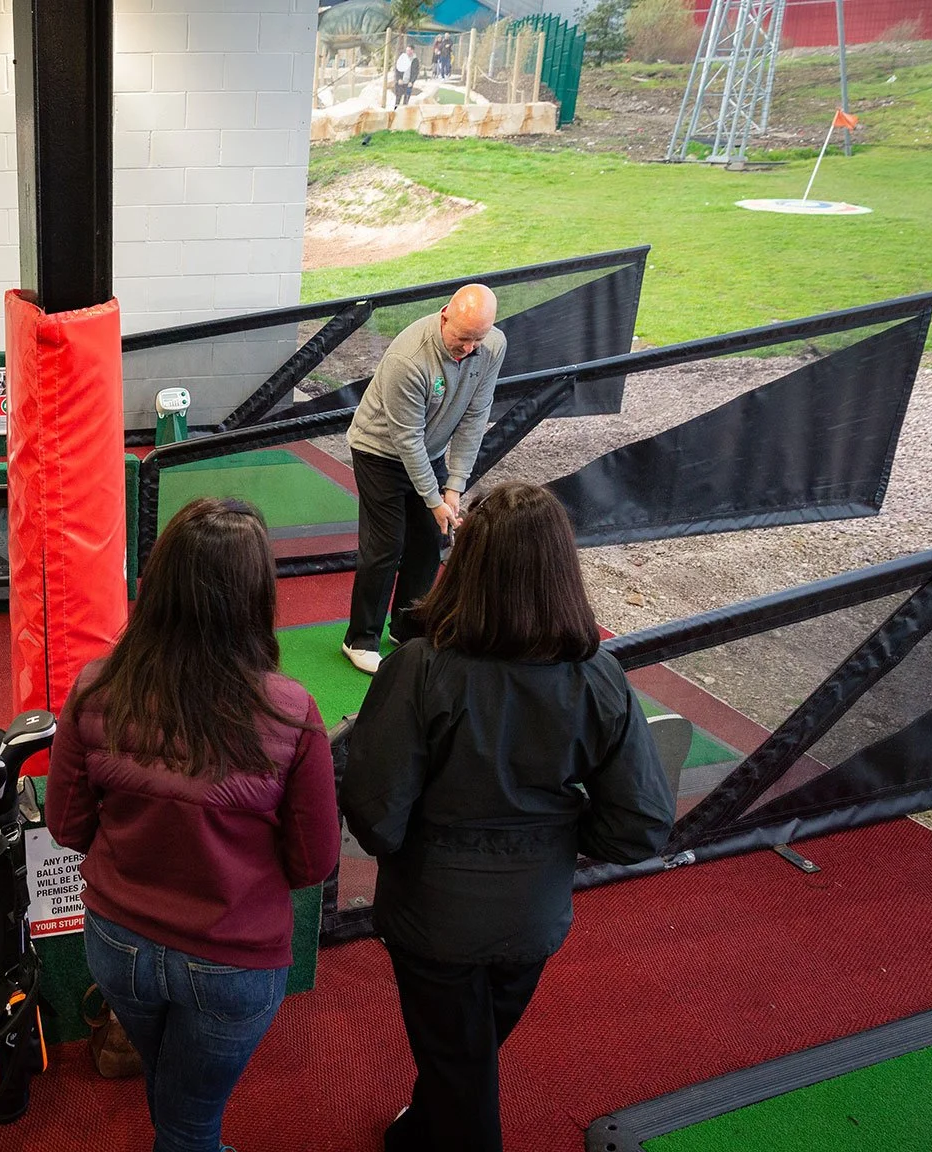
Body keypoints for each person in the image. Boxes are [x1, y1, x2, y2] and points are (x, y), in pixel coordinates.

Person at [339, 481, 676, 1152]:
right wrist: (556, 829)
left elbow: (376, 818)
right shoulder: (598, 676)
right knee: (465, 1053)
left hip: (433, 917)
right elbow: (640, 823)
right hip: (533, 914)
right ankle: (419, 1131)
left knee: (460, 1066)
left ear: (467, 564)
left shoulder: (420, 669)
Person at [47, 497, 341, 1152]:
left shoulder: (97, 687)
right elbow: (314, 862)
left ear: (159, 584)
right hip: (232, 959)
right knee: (188, 1119)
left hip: (119, 943)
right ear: (257, 596)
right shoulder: (291, 711)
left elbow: (65, 823)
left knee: (170, 1090)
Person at [341, 283, 505, 674]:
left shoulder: (493, 345)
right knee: (386, 544)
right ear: (445, 315)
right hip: (379, 451)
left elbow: (475, 416)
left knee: (432, 539)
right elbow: (407, 439)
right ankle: (359, 639)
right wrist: (434, 499)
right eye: (462, 338)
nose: (468, 348)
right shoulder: (409, 358)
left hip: (429, 452)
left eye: (477, 340)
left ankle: (408, 628)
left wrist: (454, 487)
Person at [393, 44, 418, 108]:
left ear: (412, 51)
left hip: (408, 83)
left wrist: (411, 82)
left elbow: (415, 73)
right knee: (398, 98)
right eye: (407, 50)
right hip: (401, 82)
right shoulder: (402, 58)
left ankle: (404, 110)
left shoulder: (415, 60)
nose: (408, 52)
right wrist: (399, 79)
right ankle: (395, 110)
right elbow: (397, 69)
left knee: (406, 99)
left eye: (409, 50)